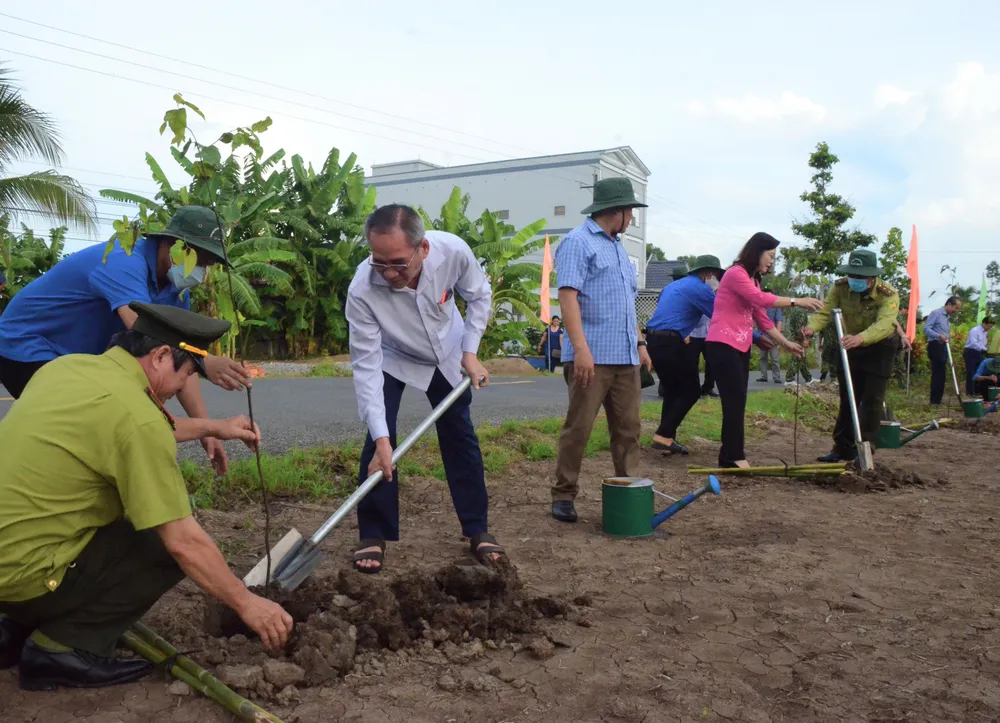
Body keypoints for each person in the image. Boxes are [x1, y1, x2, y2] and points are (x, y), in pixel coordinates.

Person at [0, 302, 292, 691]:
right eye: (187, 374)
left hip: (9, 558)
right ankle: (60, 650)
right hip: (24, 576)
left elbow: (135, 424)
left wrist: (215, 427)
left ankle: (13, 631)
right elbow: (183, 542)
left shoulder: (68, 369)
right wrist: (246, 602)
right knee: (160, 547)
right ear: (159, 357)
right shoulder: (136, 417)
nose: (179, 388)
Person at [0, 205, 251, 475]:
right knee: (92, 426)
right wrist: (203, 360)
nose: (201, 272)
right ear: (173, 244)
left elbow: (178, 360)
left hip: (74, 360)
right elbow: (143, 330)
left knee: (100, 427)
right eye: (199, 261)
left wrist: (205, 429)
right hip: (26, 346)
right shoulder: (125, 259)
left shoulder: (175, 291)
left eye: (207, 266)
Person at [345, 204, 503, 573]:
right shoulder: (363, 289)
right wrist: (383, 440)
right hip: (393, 355)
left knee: (459, 434)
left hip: (447, 352)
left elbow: (479, 295)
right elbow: (366, 367)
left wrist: (471, 352)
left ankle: (477, 528)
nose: (388, 273)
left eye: (398, 262)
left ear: (423, 249)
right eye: (378, 261)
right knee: (378, 439)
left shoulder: (453, 252)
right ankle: (373, 533)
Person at [550, 177, 653, 523]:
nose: (633, 219)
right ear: (617, 211)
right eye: (631, 212)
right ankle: (564, 494)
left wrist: (639, 343)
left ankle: (629, 492)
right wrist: (580, 348)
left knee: (628, 429)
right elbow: (567, 296)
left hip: (625, 357)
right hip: (591, 358)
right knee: (579, 427)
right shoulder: (578, 243)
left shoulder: (619, 248)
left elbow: (626, 304)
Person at [705, 232, 823, 468]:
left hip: (740, 345)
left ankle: (730, 455)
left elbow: (763, 318)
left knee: (738, 401)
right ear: (756, 252)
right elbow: (761, 298)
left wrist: (786, 343)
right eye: (770, 256)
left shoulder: (752, 279)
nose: (771, 261)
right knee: (734, 401)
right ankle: (733, 457)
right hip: (721, 344)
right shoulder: (736, 274)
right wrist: (796, 301)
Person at [802, 250, 901, 463]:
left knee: (872, 400)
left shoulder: (888, 294)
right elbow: (825, 312)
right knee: (849, 398)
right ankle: (842, 447)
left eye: (860, 277)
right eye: (852, 276)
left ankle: (865, 449)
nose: (854, 281)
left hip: (880, 347)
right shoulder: (840, 287)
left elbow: (885, 325)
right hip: (850, 345)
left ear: (872, 277)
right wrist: (811, 328)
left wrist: (861, 338)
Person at [645, 255, 724, 456]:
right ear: (707, 273)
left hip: (655, 340)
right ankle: (663, 434)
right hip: (670, 341)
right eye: (716, 274)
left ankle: (667, 438)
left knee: (673, 390)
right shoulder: (700, 288)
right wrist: (755, 336)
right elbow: (721, 317)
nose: (716, 279)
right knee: (691, 390)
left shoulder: (673, 287)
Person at [655, 264, 688, 398]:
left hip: (657, 331)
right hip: (675, 331)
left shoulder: (666, 289)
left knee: (665, 363)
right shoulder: (684, 290)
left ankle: (664, 388)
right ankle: (672, 390)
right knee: (677, 362)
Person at [923, 296, 963, 405]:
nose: (956, 311)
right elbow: (926, 328)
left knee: (942, 373)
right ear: (949, 304)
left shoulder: (946, 317)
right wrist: (938, 336)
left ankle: (937, 400)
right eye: (955, 308)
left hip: (943, 347)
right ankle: (935, 401)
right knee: (938, 373)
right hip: (935, 345)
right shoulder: (936, 313)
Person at [755, 290, 784, 384]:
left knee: (774, 358)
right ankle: (763, 376)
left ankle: (776, 377)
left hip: (772, 335)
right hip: (762, 335)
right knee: (762, 357)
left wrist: (778, 336)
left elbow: (779, 321)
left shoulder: (776, 306)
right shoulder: (759, 305)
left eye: (770, 295)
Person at [963, 316, 994, 396]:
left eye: (991, 326)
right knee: (971, 372)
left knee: (979, 372)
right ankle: (970, 392)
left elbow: (982, 344)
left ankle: (977, 391)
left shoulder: (985, 332)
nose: (990, 328)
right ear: (984, 323)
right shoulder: (975, 330)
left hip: (979, 352)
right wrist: (984, 348)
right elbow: (973, 343)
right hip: (971, 352)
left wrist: (986, 348)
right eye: (989, 326)